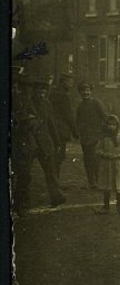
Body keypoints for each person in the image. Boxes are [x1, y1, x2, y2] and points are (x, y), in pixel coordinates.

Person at [12, 76, 66, 210]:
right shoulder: (26, 103)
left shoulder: (47, 104)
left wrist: (57, 141)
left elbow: (51, 124)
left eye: (43, 90)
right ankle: (22, 200)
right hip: (30, 143)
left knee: (50, 172)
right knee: (25, 174)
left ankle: (56, 196)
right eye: (38, 90)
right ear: (34, 91)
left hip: (45, 143)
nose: (41, 93)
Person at [95, 114, 120, 215]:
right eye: (109, 124)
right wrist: (105, 154)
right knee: (107, 185)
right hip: (107, 164)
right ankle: (106, 206)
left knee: (119, 185)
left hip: (119, 165)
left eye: (114, 125)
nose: (111, 127)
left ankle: (119, 206)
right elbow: (98, 149)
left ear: (117, 125)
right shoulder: (103, 137)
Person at [75, 82, 107, 189]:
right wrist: (79, 133)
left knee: (96, 159)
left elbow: (105, 118)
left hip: (96, 136)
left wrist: (102, 133)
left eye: (87, 91)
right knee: (87, 159)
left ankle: (98, 180)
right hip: (85, 137)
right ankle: (91, 181)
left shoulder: (96, 103)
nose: (86, 93)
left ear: (91, 92)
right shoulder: (80, 106)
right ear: (80, 93)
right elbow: (78, 121)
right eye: (83, 91)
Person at [49, 72, 78, 181]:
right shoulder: (64, 95)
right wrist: (75, 132)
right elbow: (68, 114)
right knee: (59, 156)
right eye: (70, 82)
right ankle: (54, 179)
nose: (72, 84)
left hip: (52, 128)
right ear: (63, 82)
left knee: (55, 154)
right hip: (60, 130)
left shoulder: (53, 92)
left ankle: (54, 177)